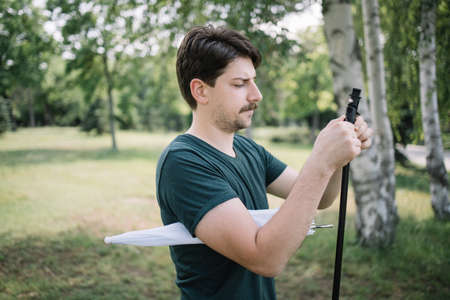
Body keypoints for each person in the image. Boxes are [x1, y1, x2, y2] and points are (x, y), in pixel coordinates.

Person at [156, 25, 373, 300]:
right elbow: (265, 258)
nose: (256, 94)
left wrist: (339, 156)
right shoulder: (183, 162)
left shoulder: (248, 150)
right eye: (240, 84)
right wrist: (321, 160)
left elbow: (321, 198)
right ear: (200, 90)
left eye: (253, 81)